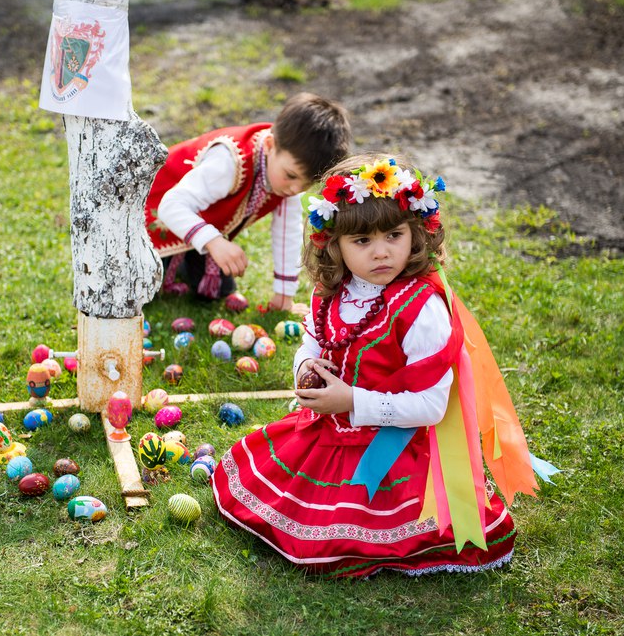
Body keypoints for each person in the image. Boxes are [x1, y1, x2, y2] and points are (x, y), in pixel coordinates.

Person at [212, 154, 551, 577]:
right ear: (332, 244)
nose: (381, 252)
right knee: (256, 485)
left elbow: (431, 406)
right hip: (329, 432)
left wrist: (350, 399)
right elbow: (312, 342)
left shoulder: (418, 309)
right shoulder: (332, 292)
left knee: (340, 533)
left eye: (394, 235)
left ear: (417, 233)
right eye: (362, 241)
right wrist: (305, 368)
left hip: (394, 448)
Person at [144, 93, 351, 312]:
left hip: (198, 221)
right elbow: (170, 206)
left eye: (306, 184)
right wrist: (215, 242)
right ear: (270, 145)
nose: (294, 189)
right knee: (142, 287)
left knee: (219, 290)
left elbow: (287, 232)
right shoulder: (229, 161)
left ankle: (185, 261)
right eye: (291, 176)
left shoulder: (284, 172)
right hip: (148, 217)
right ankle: (173, 263)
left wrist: (284, 295)